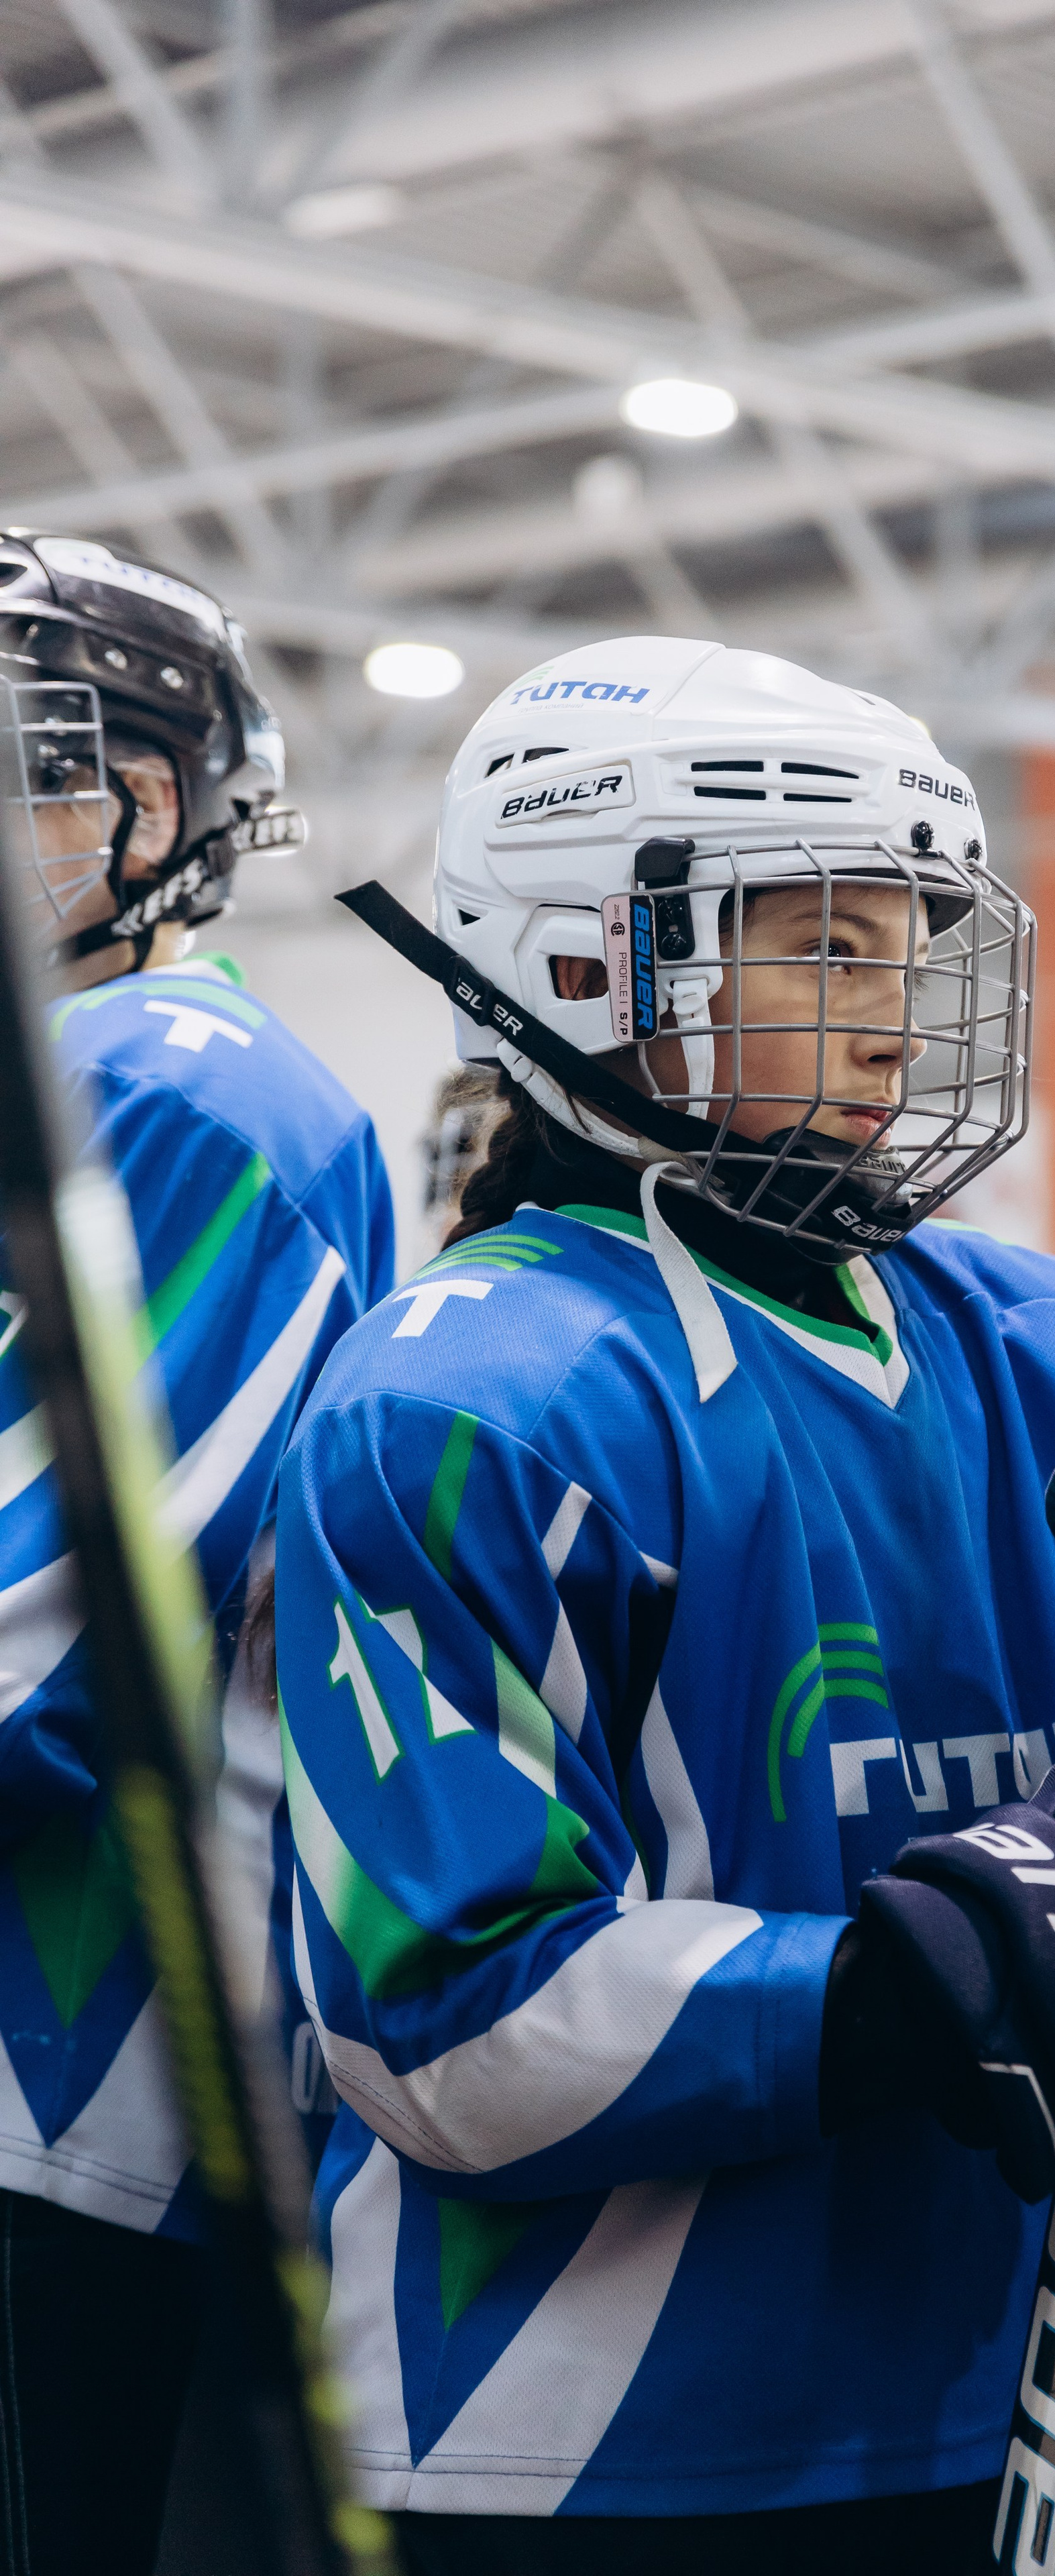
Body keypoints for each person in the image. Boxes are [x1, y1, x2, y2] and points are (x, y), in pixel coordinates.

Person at [276, 636, 1055, 2576]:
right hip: (586, 2452)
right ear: (584, 954)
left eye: (907, 949)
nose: (890, 1019)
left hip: (1045, 2389)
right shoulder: (469, 1397)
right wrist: (894, 1992)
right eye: (818, 950)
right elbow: (435, 2027)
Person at [0, 533, 394, 2575]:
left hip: (51, 2092)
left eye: (20, 760)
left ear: (153, 807)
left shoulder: (192, 1089)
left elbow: (61, 1652)